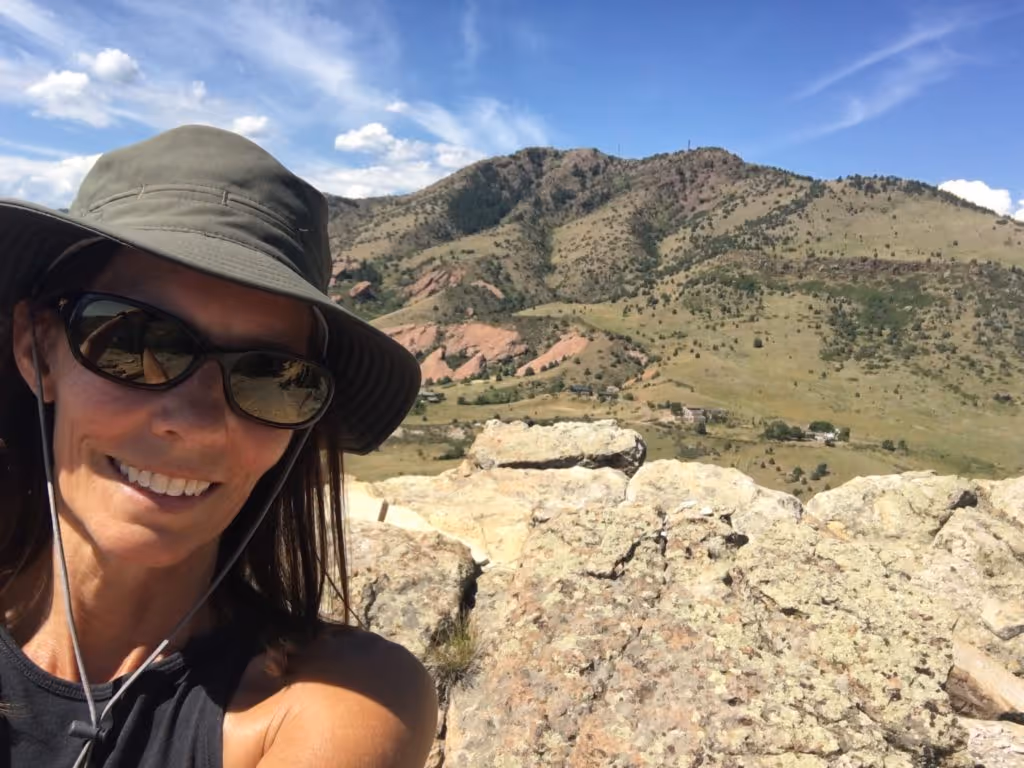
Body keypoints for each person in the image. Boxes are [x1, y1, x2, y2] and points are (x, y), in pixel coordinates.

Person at [0, 125, 437, 767]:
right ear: (38, 350)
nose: (198, 422)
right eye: (136, 342)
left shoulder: (337, 701)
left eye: (272, 377)